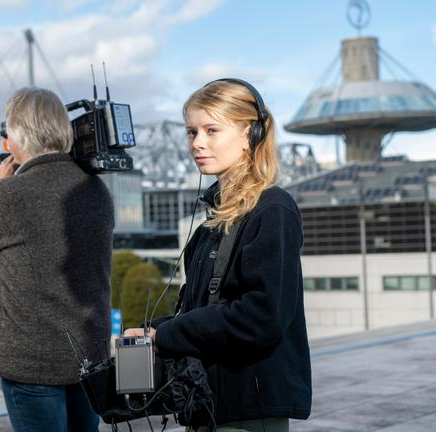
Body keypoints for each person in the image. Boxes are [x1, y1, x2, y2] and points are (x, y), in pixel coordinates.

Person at [125, 79, 312, 432]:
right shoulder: (212, 224)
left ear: (249, 135)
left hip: (248, 410)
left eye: (212, 130)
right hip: (210, 405)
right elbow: (204, 310)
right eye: (192, 131)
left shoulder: (272, 210)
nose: (197, 143)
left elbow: (261, 316)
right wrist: (151, 331)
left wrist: (164, 336)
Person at [0, 87, 114, 432]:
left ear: (18, 134)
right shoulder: (96, 190)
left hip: (32, 360)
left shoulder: (11, 194)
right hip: (88, 354)